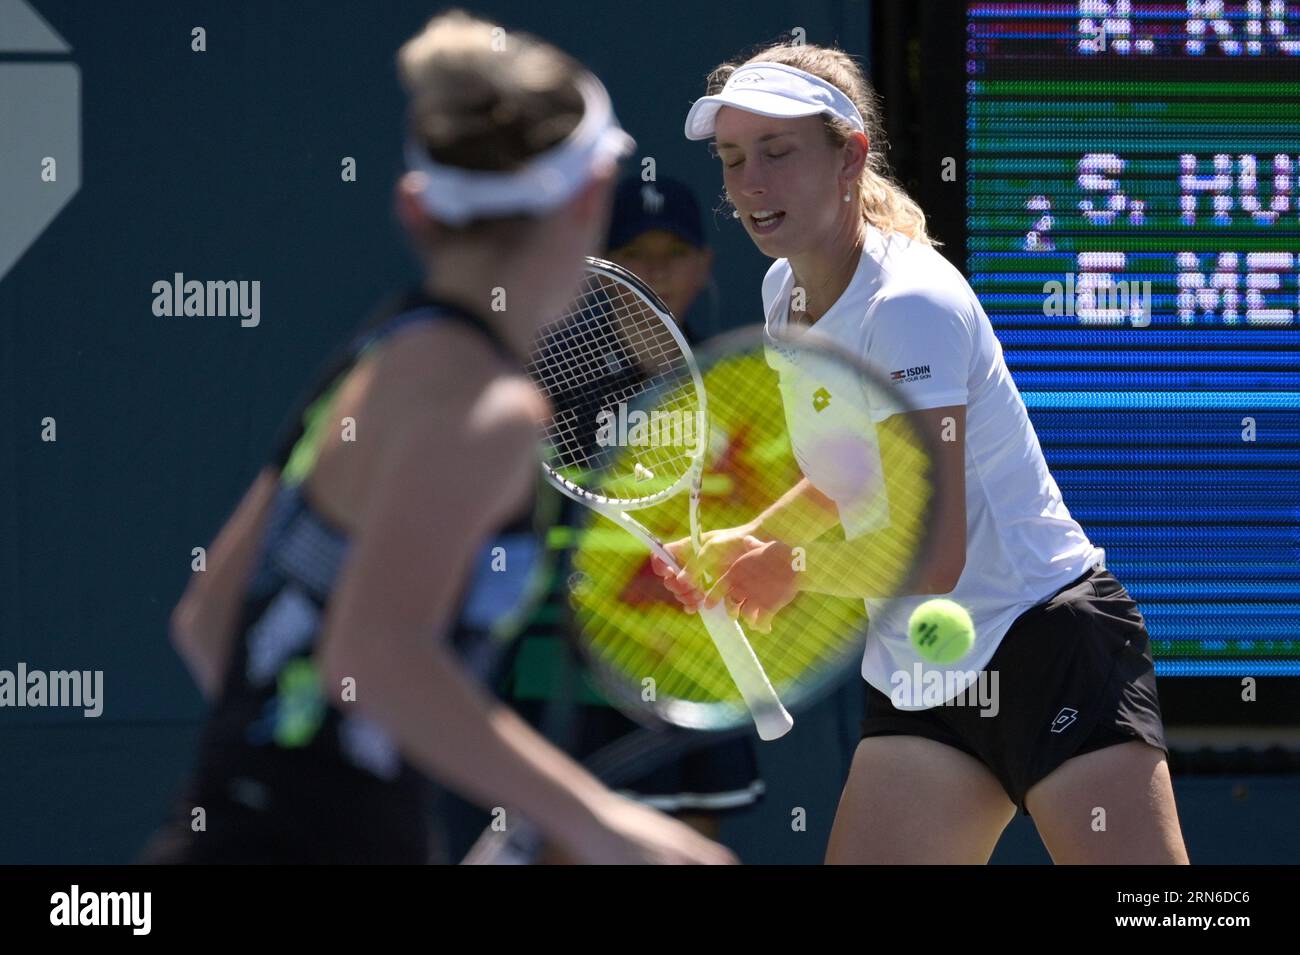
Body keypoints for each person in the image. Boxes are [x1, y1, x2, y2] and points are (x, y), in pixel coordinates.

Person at [140, 10, 732, 866]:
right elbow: (375, 654)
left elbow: (210, 620)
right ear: (592, 197)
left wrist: (363, 791)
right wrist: (606, 826)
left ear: (416, 209)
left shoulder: (379, 354)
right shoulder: (490, 411)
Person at [654, 41, 1189, 864]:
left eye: (777, 152)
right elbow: (847, 474)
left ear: (849, 156)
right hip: (921, 676)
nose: (750, 184)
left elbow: (936, 554)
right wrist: (751, 540)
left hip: (1044, 644)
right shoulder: (783, 293)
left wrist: (791, 569)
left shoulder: (910, 305)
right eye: (732, 160)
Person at [501, 175, 765, 861]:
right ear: (604, 261)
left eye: (674, 252)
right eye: (635, 252)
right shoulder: (551, 387)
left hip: (700, 668)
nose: (656, 272)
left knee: (690, 846)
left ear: (704, 263)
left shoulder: (741, 378)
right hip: (576, 670)